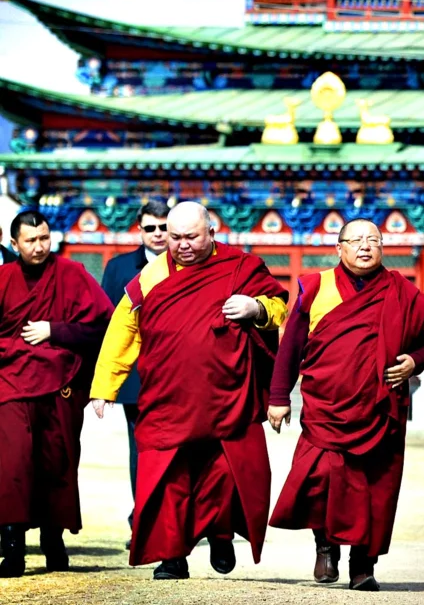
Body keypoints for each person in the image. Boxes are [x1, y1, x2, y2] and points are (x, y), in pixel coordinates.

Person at [90, 201, 288, 580]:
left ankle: (219, 534)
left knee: (223, 473)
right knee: (168, 477)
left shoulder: (240, 267)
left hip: (225, 396)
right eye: (174, 237)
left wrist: (256, 308)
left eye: (191, 237)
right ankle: (172, 556)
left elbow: (278, 306)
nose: (181, 245)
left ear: (211, 233)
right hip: (169, 399)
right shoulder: (152, 276)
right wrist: (105, 386)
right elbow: (122, 330)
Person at [267, 219, 424, 592]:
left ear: (382, 247)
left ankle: (364, 563)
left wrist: (414, 362)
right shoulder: (316, 287)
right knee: (319, 479)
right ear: (339, 248)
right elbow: (291, 346)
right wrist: (278, 397)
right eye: (356, 240)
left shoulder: (403, 292)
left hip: (380, 408)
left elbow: (423, 340)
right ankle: (325, 545)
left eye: (373, 240)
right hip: (327, 405)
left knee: (374, 488)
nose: (365, 247)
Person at [0, 211, 113, 578]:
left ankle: (53, 540)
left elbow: (102, 327)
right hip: (11, 384)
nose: (39, 246)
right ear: (13, 243)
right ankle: (13, 547)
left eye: (44, 238)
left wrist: (56, 330)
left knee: (58, 462)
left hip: (60, 385)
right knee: (12, 464)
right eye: (30, 240)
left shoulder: (72, 275)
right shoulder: (2, 279)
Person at [99, 200, 170, 549]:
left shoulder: (188, 263)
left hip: (180, 375)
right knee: (140, 450)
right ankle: (141, 519)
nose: (158, 234)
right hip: (137, 379)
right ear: (139, 230)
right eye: (150, 228)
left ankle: (175, 520)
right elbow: (107, 325)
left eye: (163, 227)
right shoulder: (118, 268)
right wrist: (106, 383)